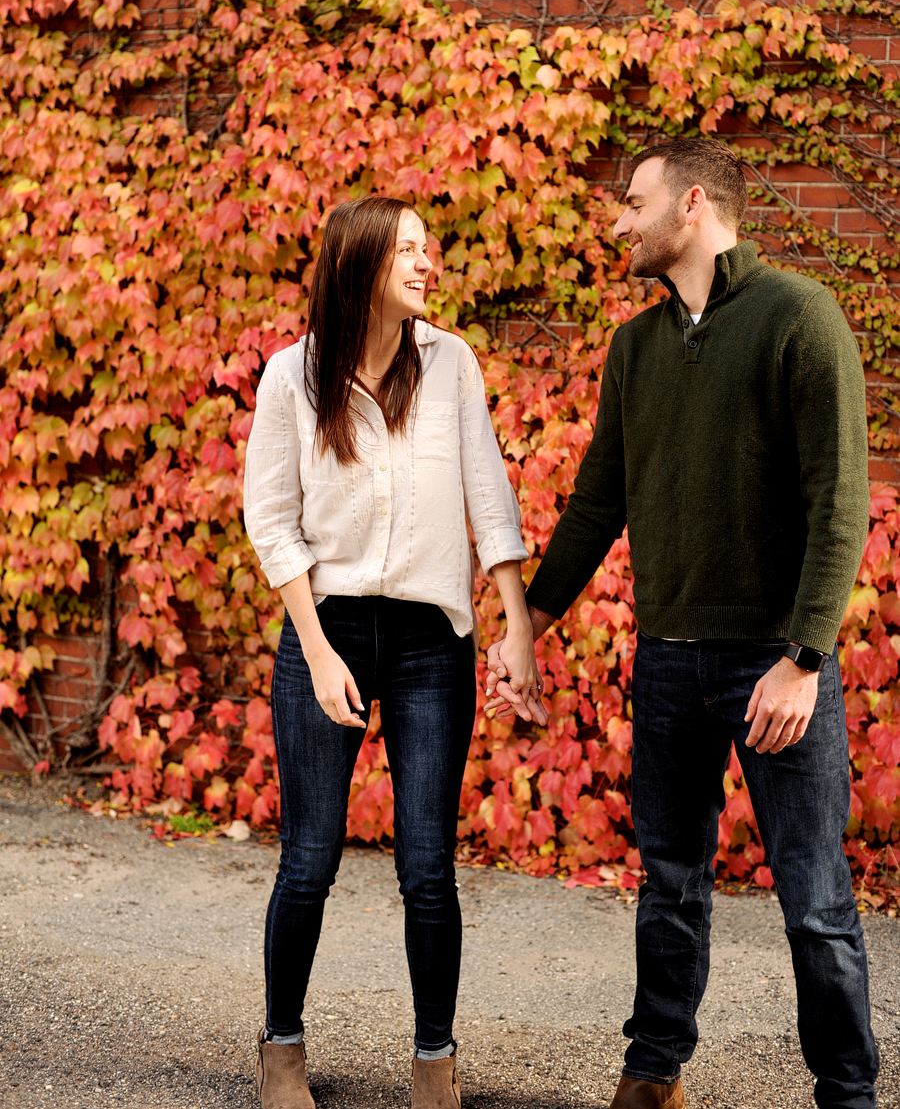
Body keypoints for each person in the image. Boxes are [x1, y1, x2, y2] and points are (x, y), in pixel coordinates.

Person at [486, 140, 880, 1109]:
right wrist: (527, 621)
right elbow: (594, 505)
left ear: (692, 205)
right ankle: (655, 1072)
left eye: (633, 203)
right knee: (668, 883)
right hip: (667, 659)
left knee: (815, 901)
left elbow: (840, 502)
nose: (618, 221)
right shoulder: (637, 347)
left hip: (773, 662)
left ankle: (848, 1093)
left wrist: (802, 659)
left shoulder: (798, 316)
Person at [243, 195, 546, 1109]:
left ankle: (434, 1061)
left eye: (428, 246)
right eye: (407, 248)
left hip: (429, 643)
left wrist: (517, 626)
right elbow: (272, 520)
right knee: (309, 857)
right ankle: (282, 1046)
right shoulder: (290, 378)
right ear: (361, 263)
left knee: (427, 864)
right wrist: (317, 646)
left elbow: (488, 495)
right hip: (322, 629)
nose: (427, 261)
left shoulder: (452, 365)